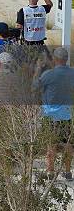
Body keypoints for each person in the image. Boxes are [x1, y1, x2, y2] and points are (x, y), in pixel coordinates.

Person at [33, 47, 74, 180]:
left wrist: (38, 69)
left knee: (51, 144)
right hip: (66, 114)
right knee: (67, 144)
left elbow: (34, 87)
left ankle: (50, 172)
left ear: (55, 60)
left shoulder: (48, 75)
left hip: (50, 115)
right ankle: (68, 172)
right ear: (66, 59)